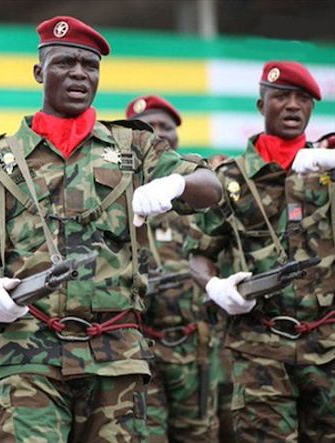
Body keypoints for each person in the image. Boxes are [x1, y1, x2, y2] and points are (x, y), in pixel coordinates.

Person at [0, 16, 223, 442]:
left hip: (114, 350)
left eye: (89, 66)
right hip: (27, 347)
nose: (79, 74)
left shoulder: (134, 147)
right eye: (65, 63)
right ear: (39, 72)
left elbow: (212, 188)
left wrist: (178, 183)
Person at [187, 61, 335, 442]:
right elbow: (199, 253)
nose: (292, 106)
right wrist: (215, 286)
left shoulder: (327, 170)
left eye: (302, 99)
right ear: (260, 105)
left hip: (329, 346)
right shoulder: (229, 178)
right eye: (281, 97)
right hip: (261, 347)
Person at [126, 96, 220, 441]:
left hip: (194, 345)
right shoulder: (113, 195)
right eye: (149, 127)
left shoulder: (197, 195)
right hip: (137, 347)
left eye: (167, 127)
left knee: (199, 434)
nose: (160, 134)